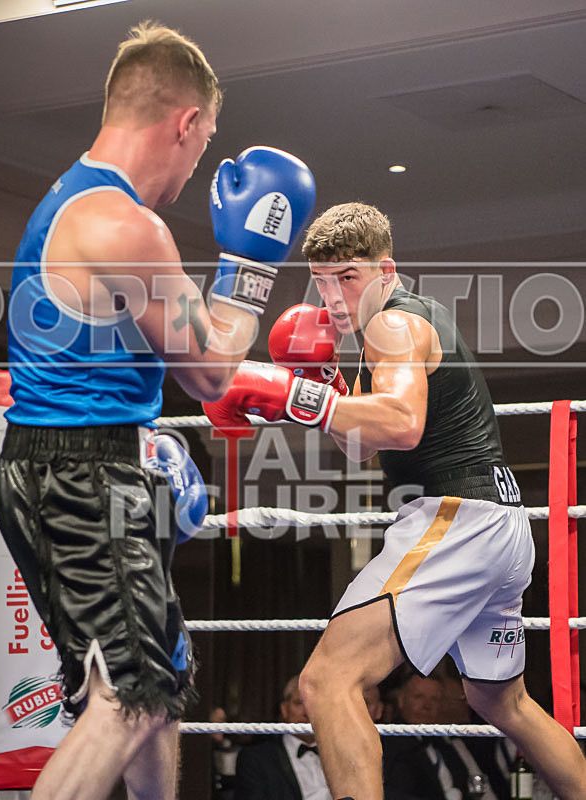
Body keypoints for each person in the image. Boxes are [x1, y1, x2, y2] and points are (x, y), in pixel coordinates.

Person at [0, 20, 315, 800]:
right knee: (129, 702)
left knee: (157, 682)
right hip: (79, 478)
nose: (197, 164)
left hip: (76, 462)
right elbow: (209, 371)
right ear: (186, 122)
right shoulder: (124, 225)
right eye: (203, 145)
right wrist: (251, 261)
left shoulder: (74, 203)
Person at [203, 202, 586, 800]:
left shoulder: (392, 326)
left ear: (387, 268)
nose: (333, 297)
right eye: (323, 282)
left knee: (328, 680)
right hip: (501, 524)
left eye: (347, 278)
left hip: (457, 520)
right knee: (499, 698)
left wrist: (289, 393)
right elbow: (362, 448)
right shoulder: (397, 327)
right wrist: (321, 387)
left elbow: (404, 422)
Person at [235, 675, 332, 800]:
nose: (307, 711)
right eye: (299, 703)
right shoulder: (256, 759)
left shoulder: (343, 756)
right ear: (284, 709)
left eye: (315, 704)